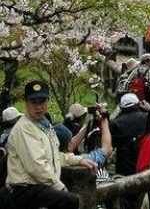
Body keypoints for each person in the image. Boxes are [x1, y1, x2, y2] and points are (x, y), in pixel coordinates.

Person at [4, 80, 96, 209]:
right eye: (33, 102)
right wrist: (60, 187)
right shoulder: (24, 128)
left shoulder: (45, 125)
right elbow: (37, 167)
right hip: (24, 189)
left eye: (42, 101)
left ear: (48, 101)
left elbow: (53, 156)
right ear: (26, 103)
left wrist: (78, 160)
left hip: (39, 186)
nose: (38, 106)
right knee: (70, 200)